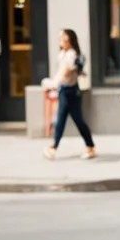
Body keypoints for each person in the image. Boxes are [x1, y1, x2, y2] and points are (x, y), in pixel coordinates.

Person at [42, 29, 96, 161]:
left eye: (65, 39)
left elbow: (66, 72)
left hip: (71, 92)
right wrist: (55, 84)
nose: (62, 41)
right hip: (65, 90)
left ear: (71, 41)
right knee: (65, 120)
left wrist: (54, 83)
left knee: (72, 120)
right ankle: (55, 147)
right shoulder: (62, 54)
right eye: (60, 39)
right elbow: (61, 72)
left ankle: (88, 147)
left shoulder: (72, 54)